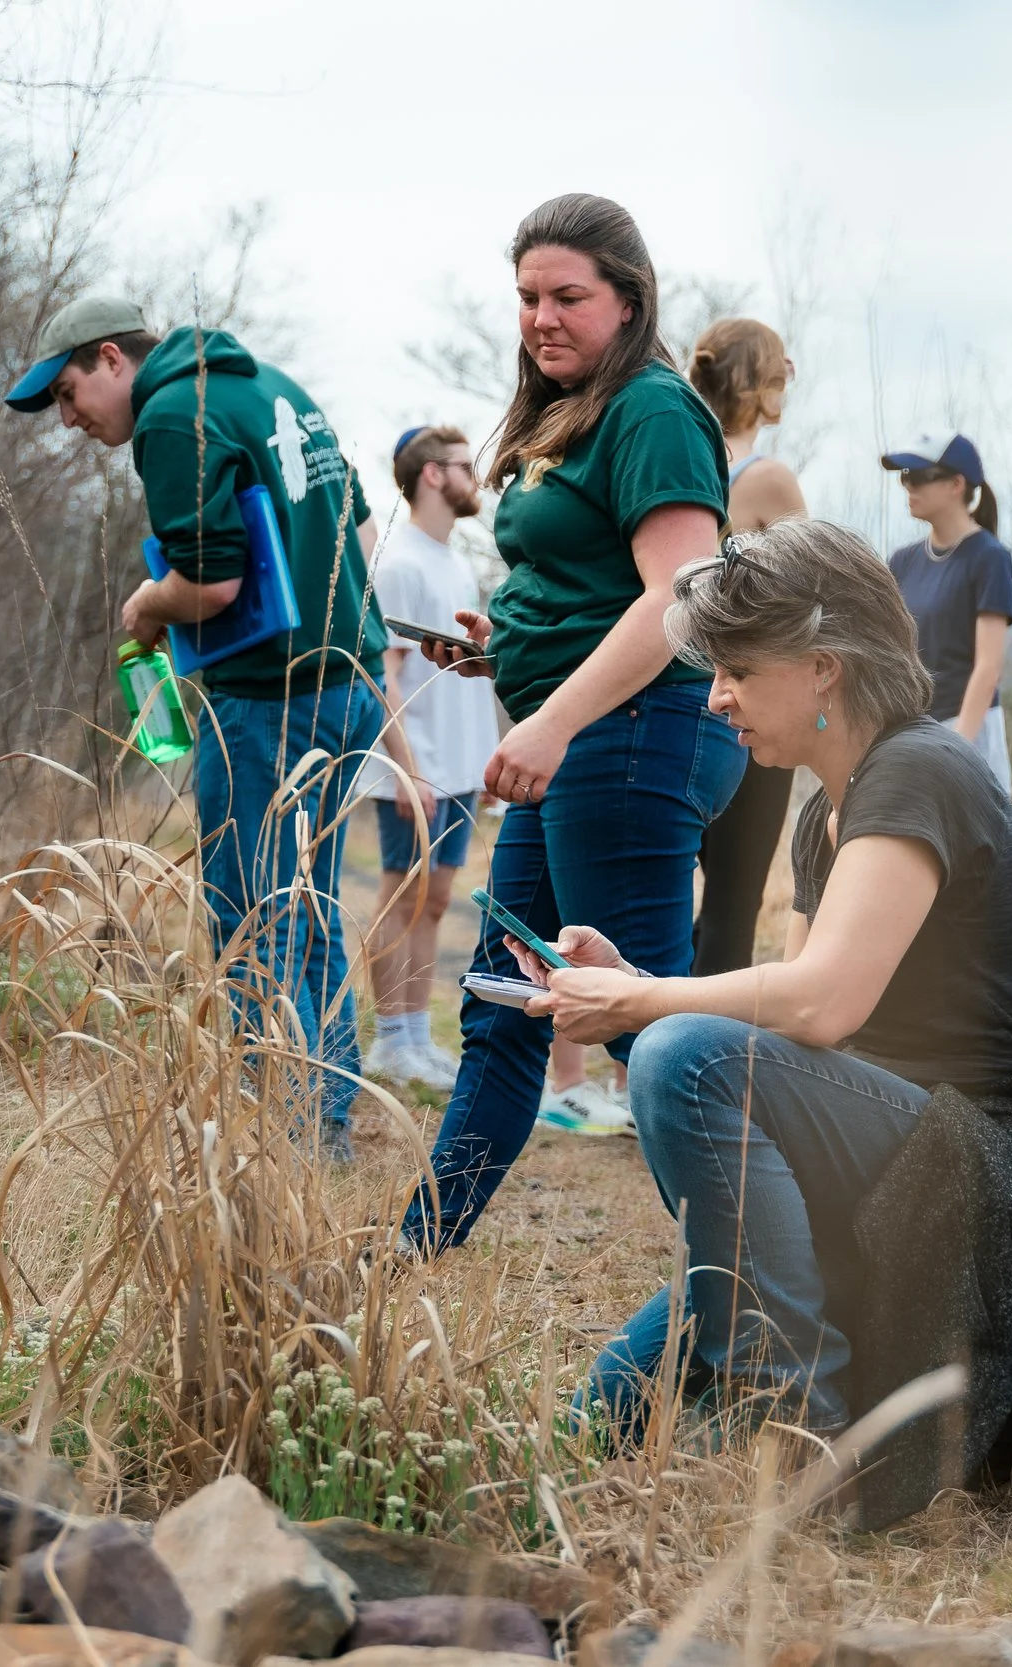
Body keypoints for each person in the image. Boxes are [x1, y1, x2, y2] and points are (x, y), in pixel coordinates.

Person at [510, 520, 1012, 1527]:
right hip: (899, 1145)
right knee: (597, 1423)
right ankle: (803, 1399)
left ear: (823, 669)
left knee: (680, 1053)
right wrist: (632, 987)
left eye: (738, 668)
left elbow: (820, 1000)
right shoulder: (821, 810)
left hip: (1004, 1175)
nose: (714, 695)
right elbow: (796, 1025)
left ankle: (794, 1438)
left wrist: (649, 1000)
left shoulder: (920, 770)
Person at [400, 193, 747, 1245]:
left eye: (567, 296)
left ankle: (767, 1286)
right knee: (505, 1007)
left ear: (628, 300)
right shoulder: (574, 410)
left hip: (639, 738)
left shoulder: (650, 408)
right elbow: (597, 589)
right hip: (582, 744)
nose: (540, 317)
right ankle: (407, 1258)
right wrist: (503, 645)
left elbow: (679, 598)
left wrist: (549, 716)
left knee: (648, 1028)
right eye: (525, 298)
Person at [6, 295, 417, 1165]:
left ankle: (283, 1136)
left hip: (269, 701)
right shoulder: (269, 387)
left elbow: (214, 584)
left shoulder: (170, 415)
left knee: (252, 922)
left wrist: (148, 606)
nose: (70, 418)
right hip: (345, 687)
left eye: (69, 393)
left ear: (112, 358)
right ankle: (324, 1127)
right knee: (307, 909)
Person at [359, 426, 500, 1094]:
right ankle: (389, 1041)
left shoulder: (455, 562)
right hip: (414, 765)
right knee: (402, 894)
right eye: (463, 466)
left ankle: (416, 1036)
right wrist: (410, 767)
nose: (475, 476)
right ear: (432, 476)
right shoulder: (398, 562)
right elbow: (380, 675)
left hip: (462, 764)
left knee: (436, 898)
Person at [687, 318, 809, 976]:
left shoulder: (682, 461)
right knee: (733, 905)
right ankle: (707, 1066)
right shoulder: (769, 480)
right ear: (763, 386)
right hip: (750, 703)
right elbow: (815, 592)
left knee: (670, 896)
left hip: (675, 693)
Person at [881, 434, 1012, 795]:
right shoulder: (902, 561)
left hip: (968, 732)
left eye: (920, 476)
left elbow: (988, 666)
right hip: (913, 732)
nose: (908, 485)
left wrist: (957, 747)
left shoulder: (989, 558)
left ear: (956, 484)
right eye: (904, 476)